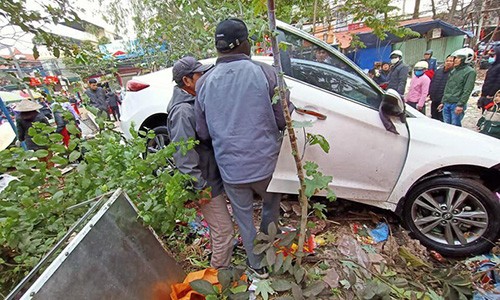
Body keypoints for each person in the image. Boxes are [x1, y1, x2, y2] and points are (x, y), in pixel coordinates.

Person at [195, 18, 293, 279]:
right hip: (266, 165)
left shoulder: (203, 83)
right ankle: (269, 249)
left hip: (231, 170)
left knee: (243, 217)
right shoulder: (265, 73)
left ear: (219, 48)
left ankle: (257, 264)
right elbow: (283, 118)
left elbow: (202, 133)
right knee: (270, 208)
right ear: (245, 43)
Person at [167, 56, 234, 269]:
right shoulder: (182, 111)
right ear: (187, 81)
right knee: (224, 231)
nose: (204, 77)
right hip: (205, 183)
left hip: (211, 177)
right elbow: (184, 157)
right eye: (200, 75)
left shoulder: (192, 101)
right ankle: (217, 278)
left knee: (220, 229)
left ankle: (218, 269)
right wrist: (200, 186)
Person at [439, 48, 477, 126]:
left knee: (455, 126)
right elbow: (447, 87)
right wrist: (443, 101)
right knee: (446, 125)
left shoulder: (470, 72)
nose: (455, 60)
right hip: (447, 102)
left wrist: (460, 104)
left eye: (458, 58)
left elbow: (467, 90)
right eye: (455, 58)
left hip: (456, 103)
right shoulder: (454, 71)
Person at [429, 56, 454, 121]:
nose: (448, 63)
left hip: (443, 100)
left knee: (441, 118)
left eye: (451, 61)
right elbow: (433, 82)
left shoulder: (453, 73)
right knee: (433, 117)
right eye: (447, 61)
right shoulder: (438, 71)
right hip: (434, 99)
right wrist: (430, 93)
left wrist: (444, 100)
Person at [478, 46, 500, 113]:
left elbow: (497, 83)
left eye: (493, 55)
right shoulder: (493, 66)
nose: (490, 57)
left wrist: (490, 95)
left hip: (493, 97)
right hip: (486, 96)